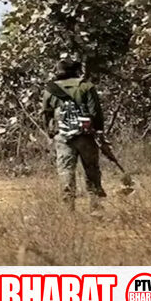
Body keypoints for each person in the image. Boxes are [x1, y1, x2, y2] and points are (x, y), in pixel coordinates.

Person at [42, 59, 107, 213]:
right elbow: (95, 112)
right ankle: (95, 207)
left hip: (63, 136)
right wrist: (99, 132)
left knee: (65, 171)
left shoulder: (50, 89)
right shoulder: (86, 86)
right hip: (86, 136)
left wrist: (50, 133)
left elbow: (46, 114)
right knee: (91, 169)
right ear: (76, 70)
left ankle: (68, 209)